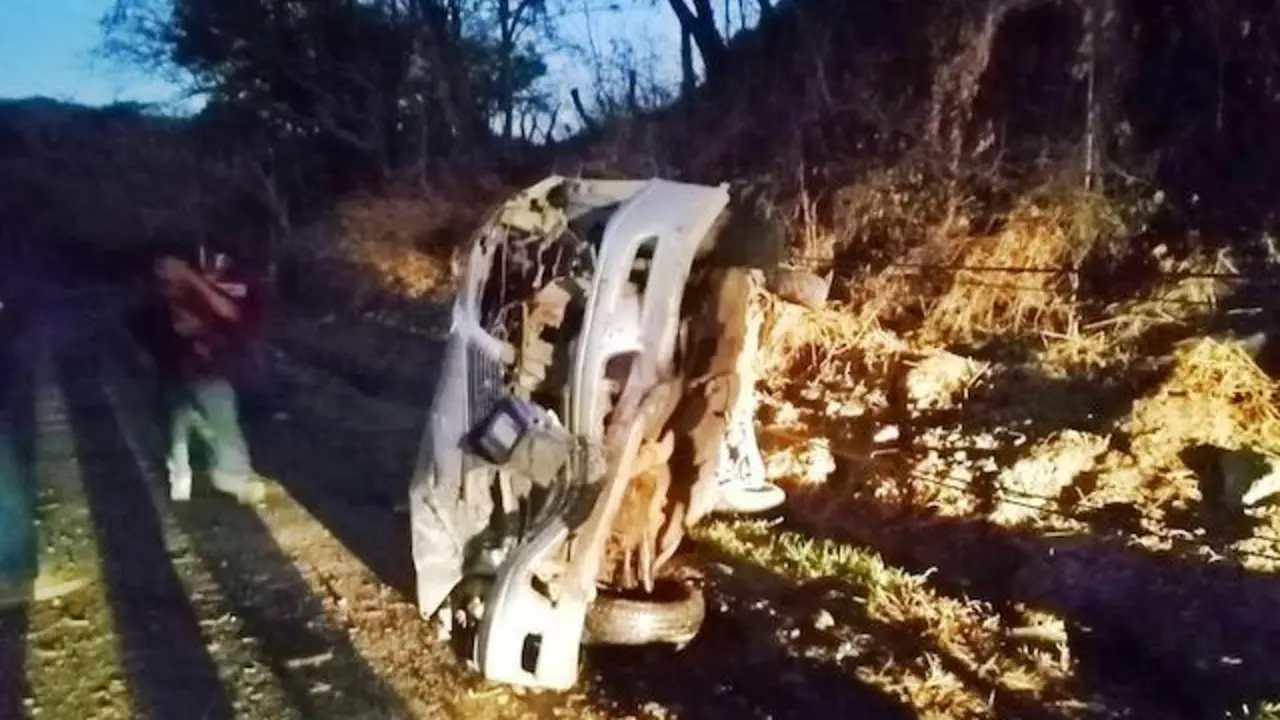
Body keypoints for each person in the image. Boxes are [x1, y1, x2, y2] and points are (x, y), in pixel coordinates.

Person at [148, 248, 265, 504]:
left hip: (214, 368)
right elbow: (164, 319)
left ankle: (231, 475)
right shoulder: (168, 288)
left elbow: (231, 312)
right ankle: (180, 468)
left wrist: (192, 279)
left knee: (218, 406)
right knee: (178, 416)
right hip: (177, 365)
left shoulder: (232, 284)